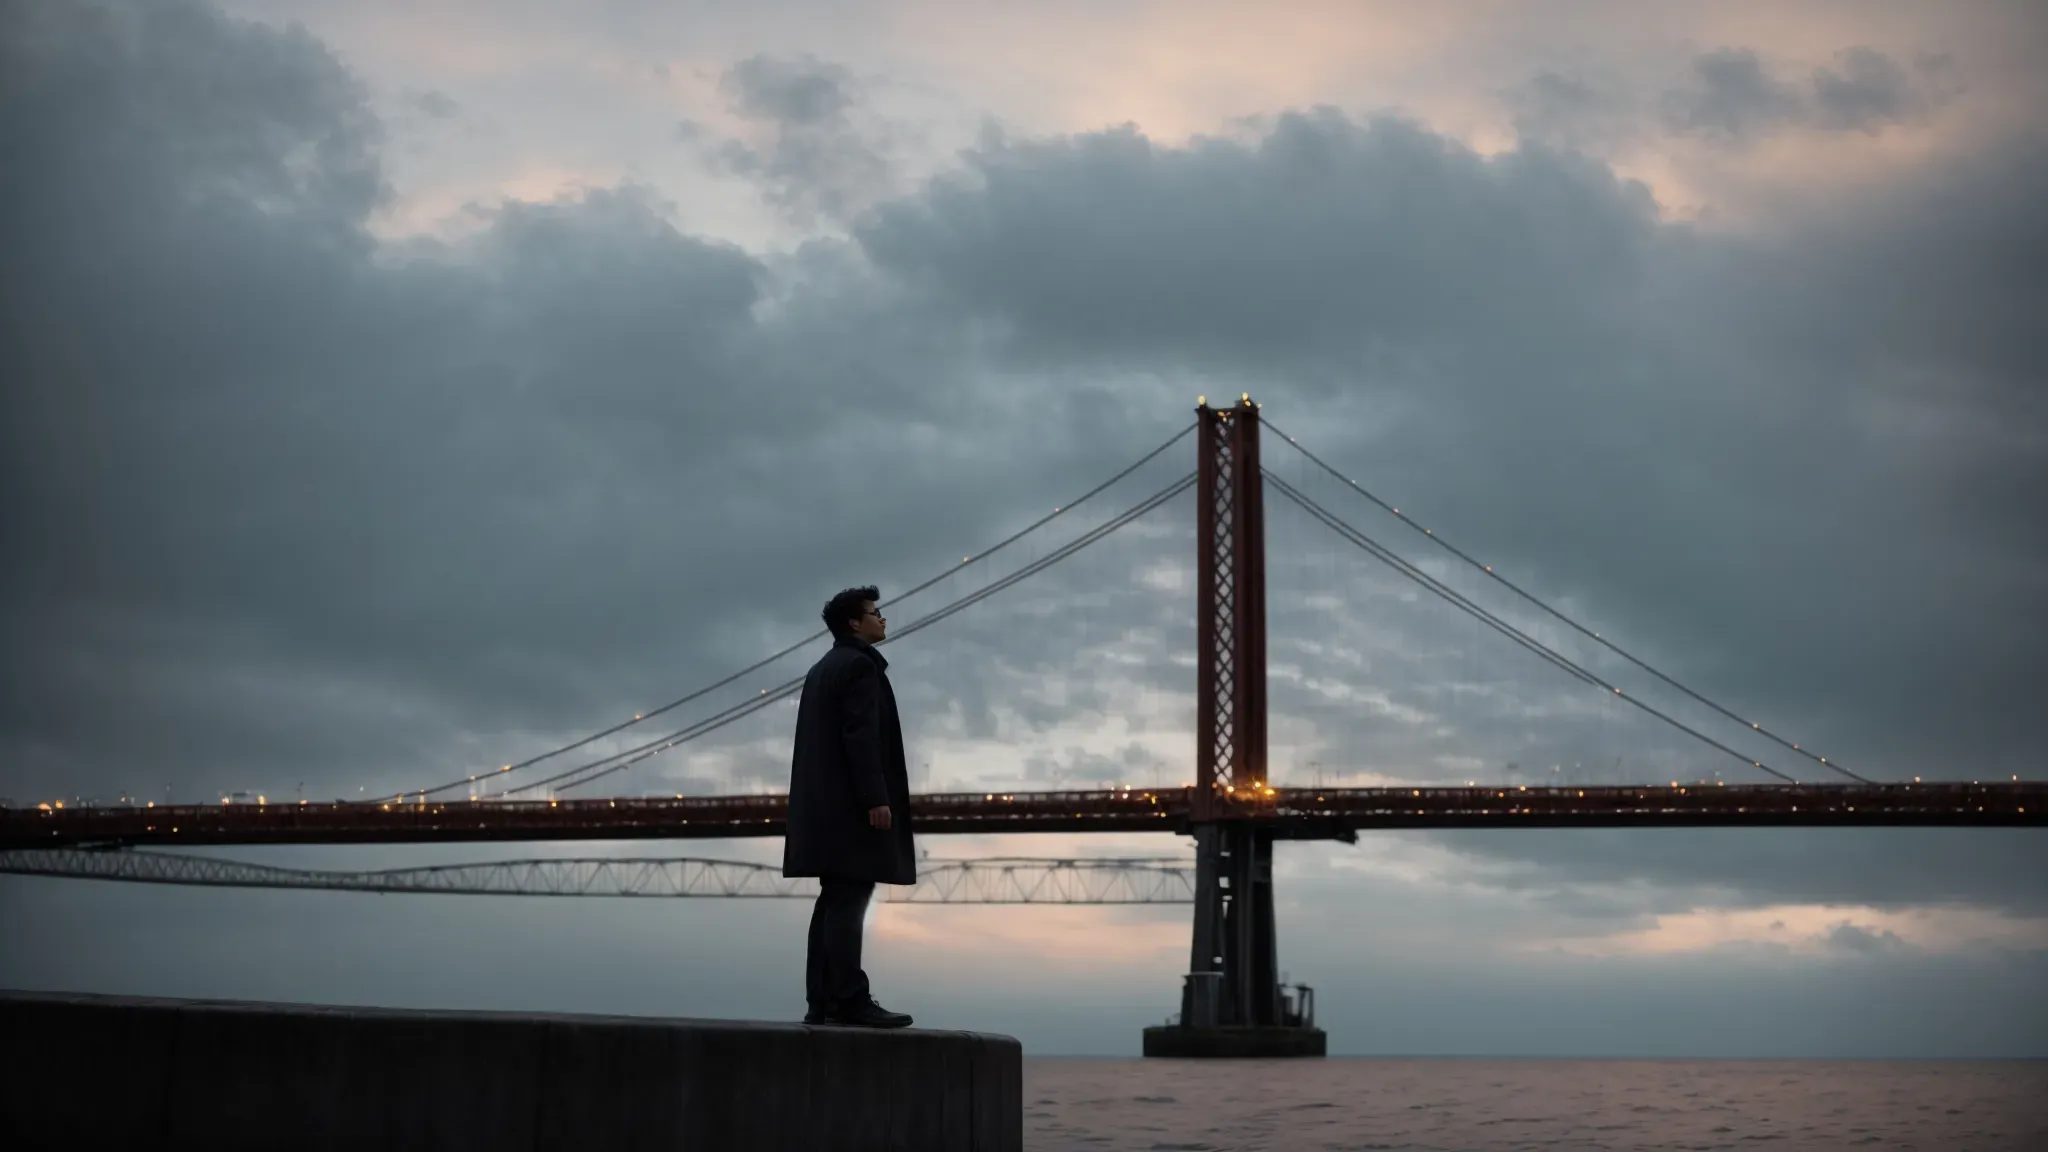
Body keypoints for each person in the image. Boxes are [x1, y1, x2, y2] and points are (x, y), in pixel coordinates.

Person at [782, 585, 916, 1028]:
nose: (884, 619)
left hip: (825, 809)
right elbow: (861, 737)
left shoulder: (823, 668)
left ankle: (823, 1002)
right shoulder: (859, 668)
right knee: (850, 899)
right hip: (851, 810)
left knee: (833, 900)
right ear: (854, 623)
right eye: (876, 613)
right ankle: (850, 999)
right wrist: (876, 798)